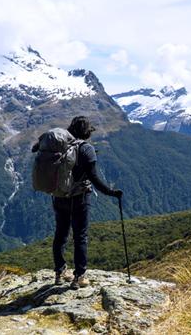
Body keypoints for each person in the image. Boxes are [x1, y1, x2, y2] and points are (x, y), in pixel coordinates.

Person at [52, 116, 123, 289]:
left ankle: (60, 272)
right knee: (80, 236)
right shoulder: (86, 149)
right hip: (79, 198)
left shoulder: (60, 145)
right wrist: (111, 192)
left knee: (61, 234)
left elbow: (37, 150)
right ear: (87, 132)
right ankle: (79, 276)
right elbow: (94, 178)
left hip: (59, 196)